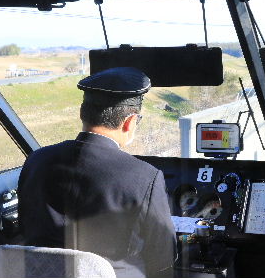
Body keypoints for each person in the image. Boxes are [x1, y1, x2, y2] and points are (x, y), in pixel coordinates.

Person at [18, 67, 176, 278]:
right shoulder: (146, 177)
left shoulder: (36, 160)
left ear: (82, 113)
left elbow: (24, 228)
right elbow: (163, 258)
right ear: (129, 122)